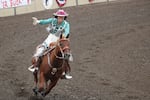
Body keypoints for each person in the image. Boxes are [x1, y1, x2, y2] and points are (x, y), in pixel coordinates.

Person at [28, 9, 72, 79]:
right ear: (56, 17)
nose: (61, 19)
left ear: (64, 18)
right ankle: (35, 66)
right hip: (51, 38)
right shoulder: (52, 20)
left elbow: (66, 32)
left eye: (62, 17)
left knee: (66, 54)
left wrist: (63, 38)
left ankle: (64, 72)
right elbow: (45, 21)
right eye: (59, 17)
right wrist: (38, 21)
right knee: (41, 50)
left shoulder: (66, 24)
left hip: (60, 39)